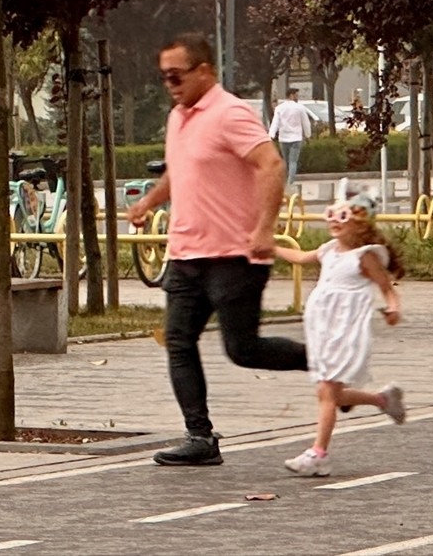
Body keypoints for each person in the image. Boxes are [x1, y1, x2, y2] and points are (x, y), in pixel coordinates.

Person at [127, 33, 307, 467]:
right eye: (164, 77)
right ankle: (200, 437)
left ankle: (327, 361)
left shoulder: (231, 113)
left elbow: (272, 164)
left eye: (176, 76)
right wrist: (149, 202)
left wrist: (265, 229)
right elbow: (180, 171)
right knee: (178, 341)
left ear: (204, 71)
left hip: (234, 256)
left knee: (243, 349)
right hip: (186, 254)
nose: (169, 85)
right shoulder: (178, 117)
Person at [272, 190, 406, 477]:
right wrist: (269, 247)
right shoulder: (329, 249)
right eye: (331, 215)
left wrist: (393, 308)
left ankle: (318, 454)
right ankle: (382, 400)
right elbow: (300, 257)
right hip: (323, 330)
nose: (334, 221)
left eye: (342, 216)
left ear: (360, 223)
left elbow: (386, 288)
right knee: (331, 393)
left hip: (345, 331)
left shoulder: (364, 257)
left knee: (327, 392)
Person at [268, 87, 312, 188]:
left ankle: (285, 180)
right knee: (293, 161)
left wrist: (271, 135)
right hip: (296, 138)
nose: (297, 97)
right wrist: (308, 134)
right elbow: (305, 122)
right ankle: (290, 182)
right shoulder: (300, 108)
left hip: (283, 138)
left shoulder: (279, 108)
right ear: (291, 95)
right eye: (296, 95)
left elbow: (275, 123)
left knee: (286, 161)